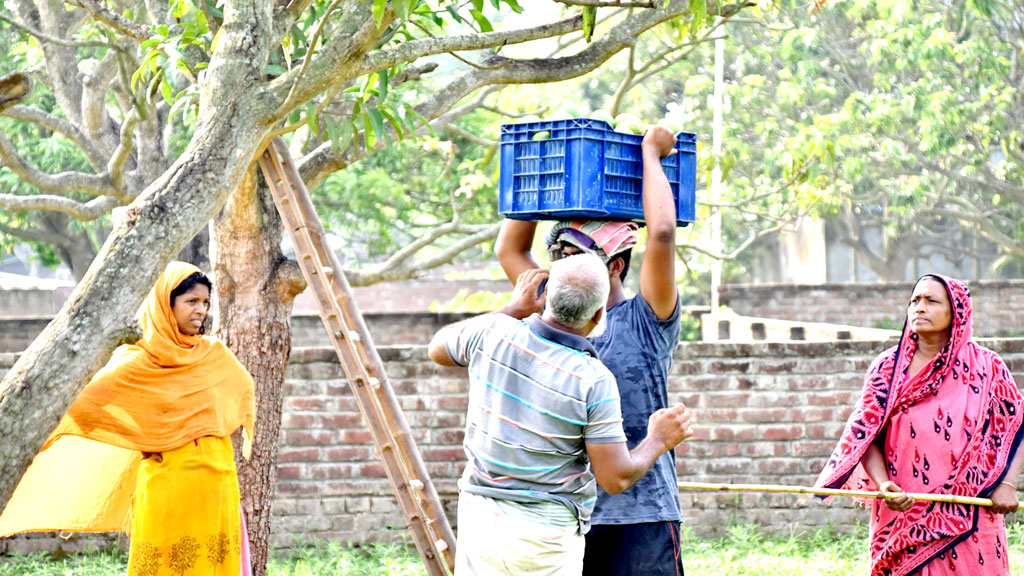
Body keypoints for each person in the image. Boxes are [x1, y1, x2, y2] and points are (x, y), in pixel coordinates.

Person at [495, 125, 685, 576]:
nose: (560, 267)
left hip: (640, 519)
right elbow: (509, 247)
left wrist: (650, 155)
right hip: (565, 518)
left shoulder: (646, 320)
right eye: (557, 255)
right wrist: (545, 167)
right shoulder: (554, 307)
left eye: (576, 256)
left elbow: (660, 235)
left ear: (616, 266)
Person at [428, 253, 694, 576]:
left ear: (546, 295)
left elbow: (437, 348)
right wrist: (657, 439)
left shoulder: (493, 333)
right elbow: (614, 477)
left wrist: (513, 309)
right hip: (547, 535)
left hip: (480, 521)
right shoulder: (592, 379)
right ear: (598, 317)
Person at [0, 261, 256, 576]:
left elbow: (242, 389)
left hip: (217, 484)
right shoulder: (137, 362)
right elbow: (84, 404)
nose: (201, 310)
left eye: (205, 302)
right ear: (165, 304)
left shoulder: (213, 355)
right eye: (191, 301)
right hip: (168, 487)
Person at [815, 274, 1024, 576]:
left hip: (972, 514)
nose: (919, 308)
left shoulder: (987, 367)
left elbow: (1014, 428)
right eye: (914, 301)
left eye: (931, 301)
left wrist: (1007, 484)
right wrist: (884, 484)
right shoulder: (887, 369)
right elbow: (865, 436)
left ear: (957, 311)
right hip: (901, 511)